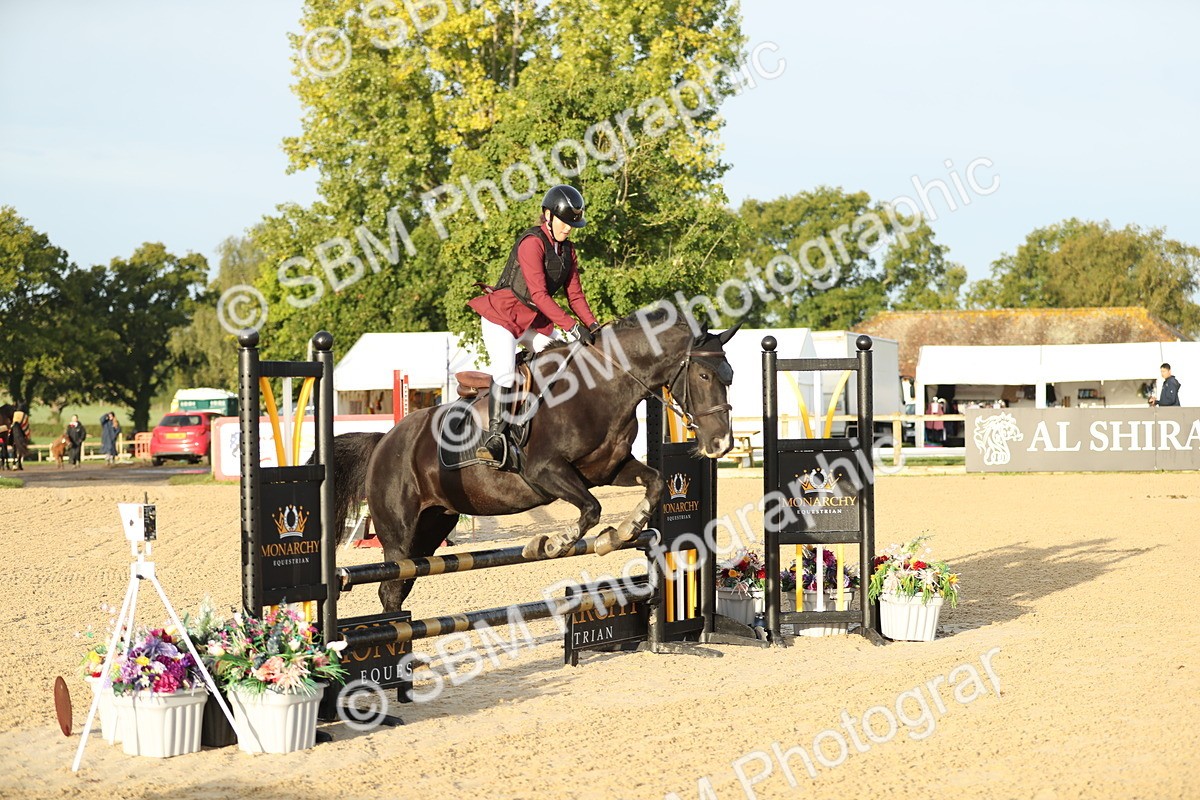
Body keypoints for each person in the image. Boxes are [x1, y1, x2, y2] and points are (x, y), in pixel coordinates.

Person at [467, 185, 600, 464]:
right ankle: (494, 438)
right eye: (565, 222)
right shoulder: (532, 242)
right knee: (504, 372)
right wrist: (571, 326)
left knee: (562, 357)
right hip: (502, 317)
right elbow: (538, 295)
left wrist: (593, 326)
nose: (569, 229)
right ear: (548, 216)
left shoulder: (567, 251)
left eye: (573, 224)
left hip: (532, 322)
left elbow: (575, 295)